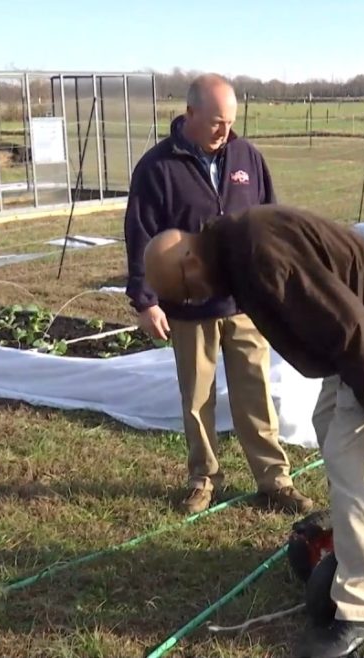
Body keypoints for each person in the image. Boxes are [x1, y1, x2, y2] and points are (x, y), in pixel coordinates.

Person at [142, 204, 364, 658]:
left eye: (184, 293)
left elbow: (355, 330)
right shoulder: (234, 250)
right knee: (329, 426)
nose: (190, 303)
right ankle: (357, 545)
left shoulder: (260, 254)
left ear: (190, 261)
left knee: (350, 457)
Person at [123, 73, 312, 516]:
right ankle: (203, 478)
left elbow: (270, 222)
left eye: (230, 122)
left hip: (245, 302)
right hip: (189, 306)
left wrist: (275, 280)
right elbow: (140, 235)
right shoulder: (157, 167)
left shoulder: (247, 156)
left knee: (255, 392)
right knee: (198, 397)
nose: (224, 132)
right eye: (215, 122)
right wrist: (146, 300)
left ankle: (274, 480)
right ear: (189, 114)